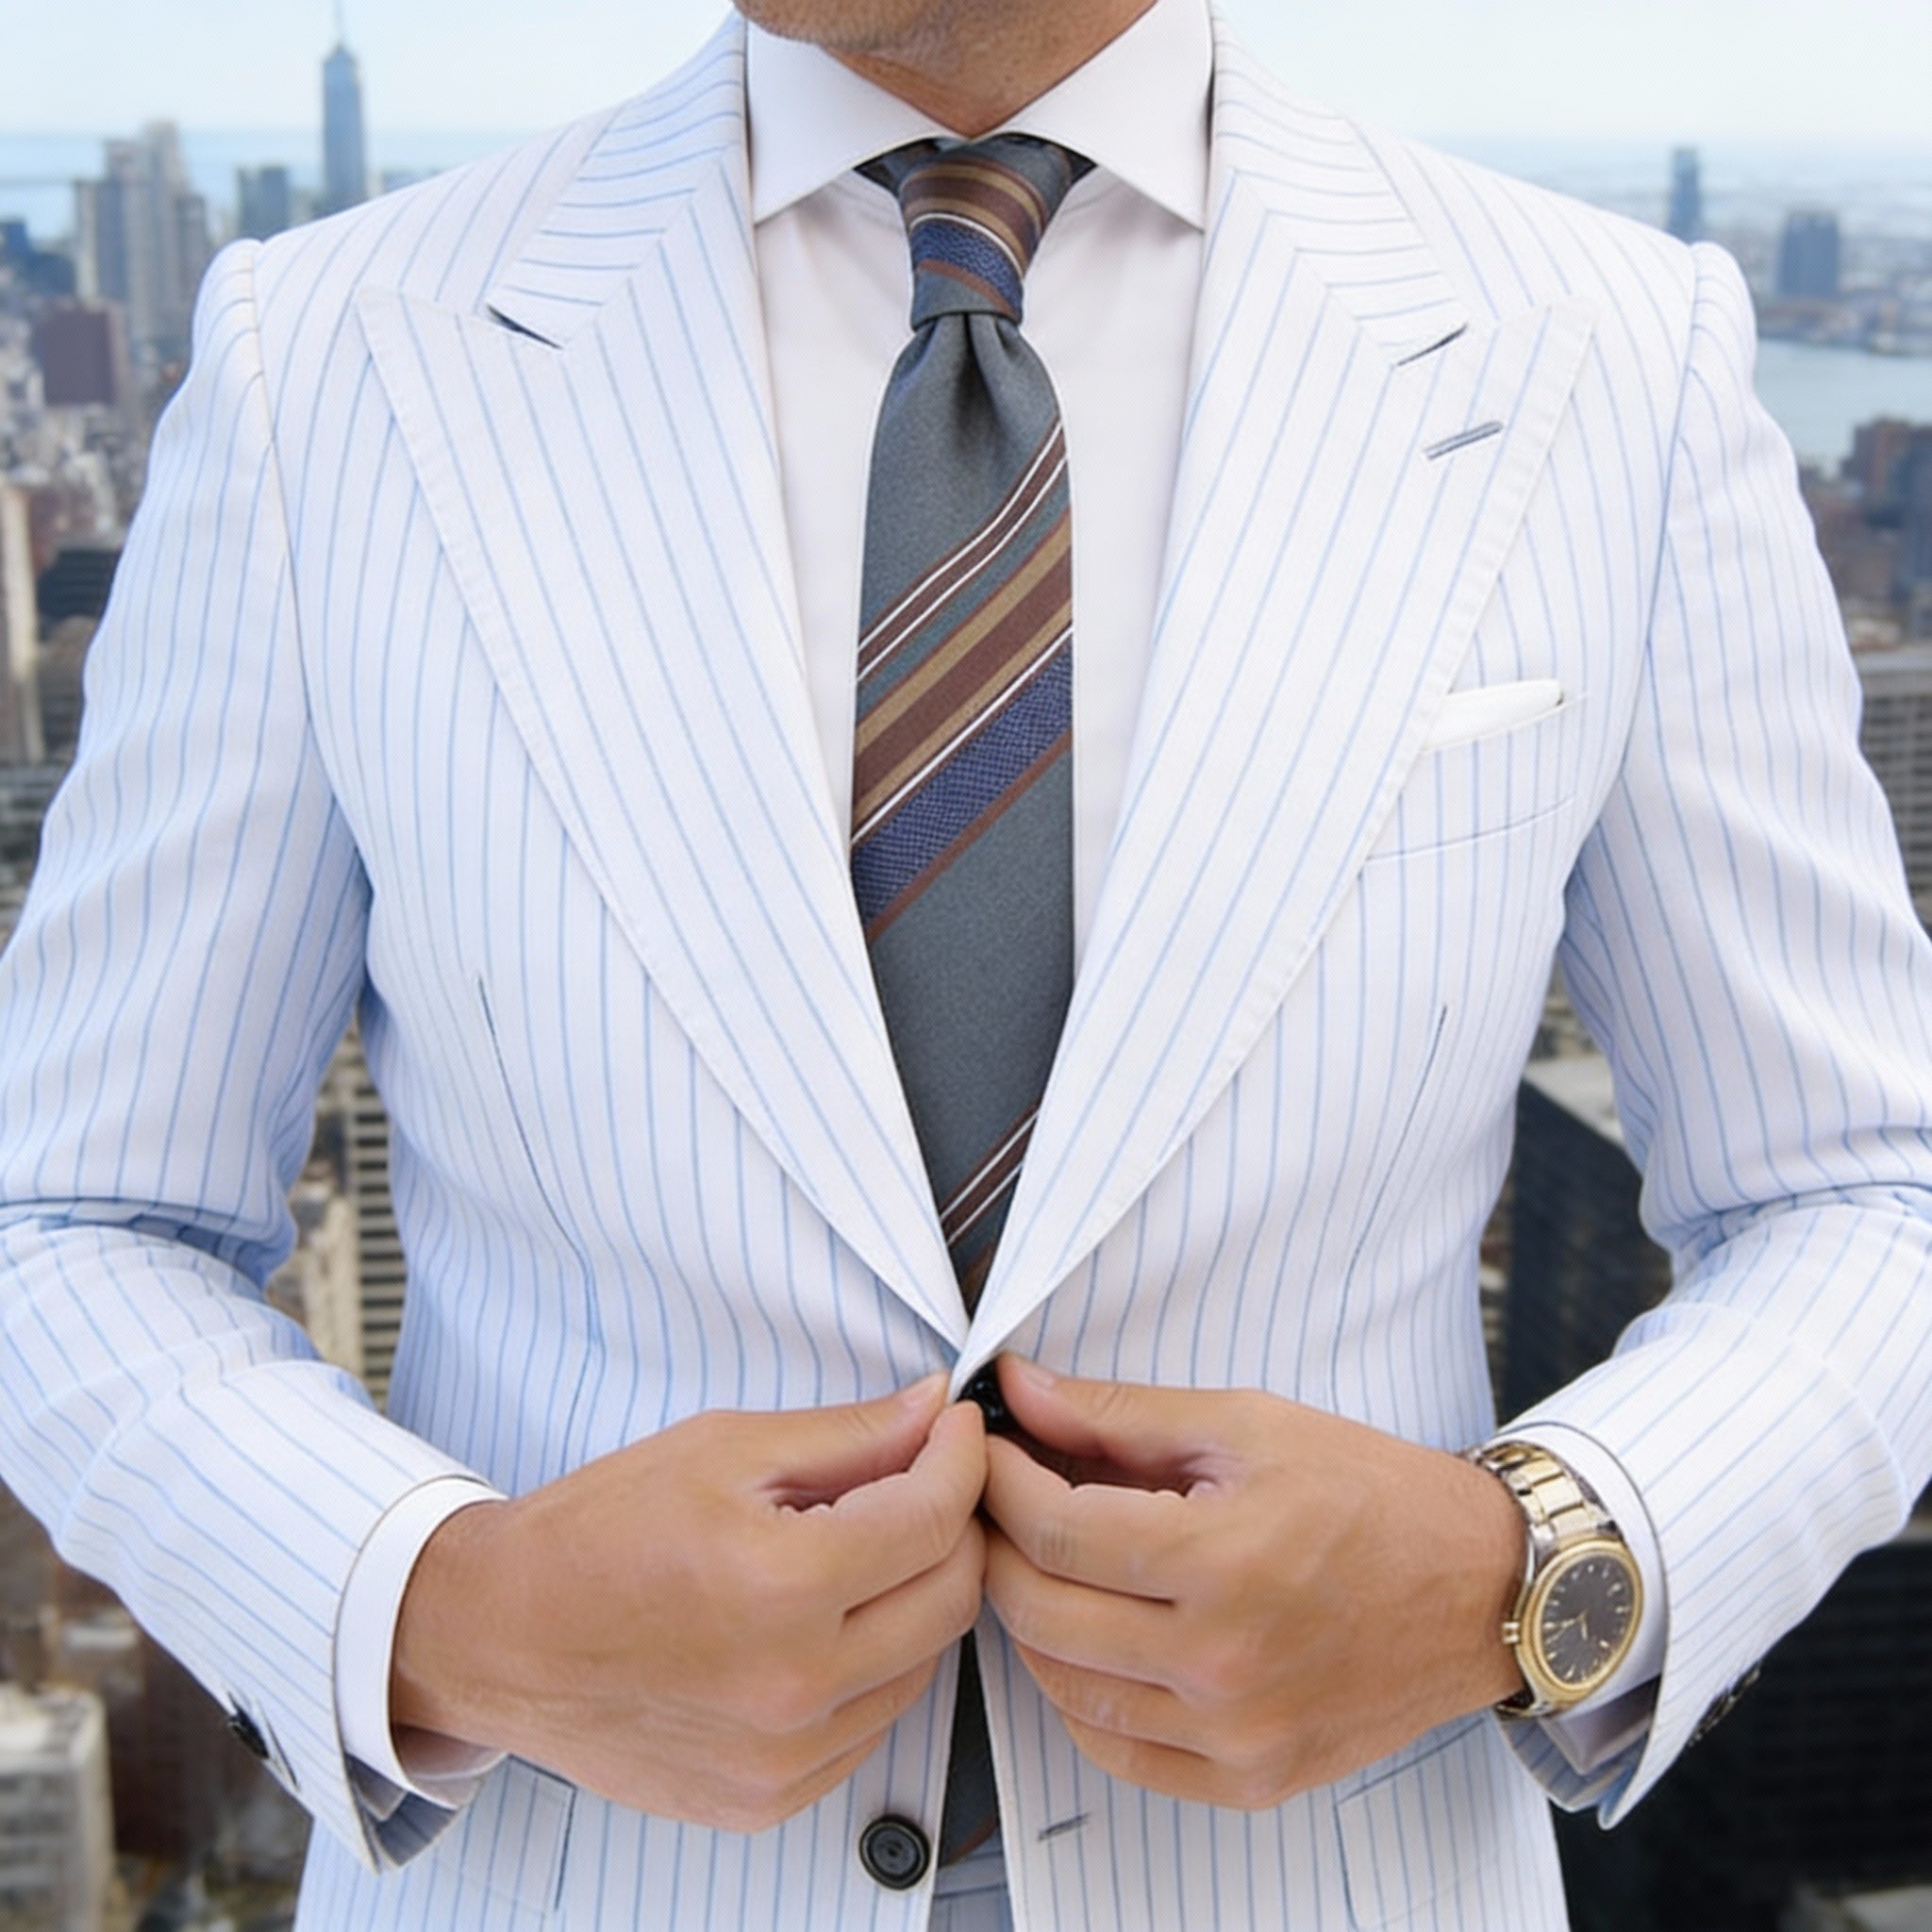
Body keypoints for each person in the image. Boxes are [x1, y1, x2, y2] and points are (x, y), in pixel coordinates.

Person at [2, 0, 1929, 1925]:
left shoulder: (1611, 357)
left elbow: (1866, 1188)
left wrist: (1527, 1571)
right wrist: (439, 1608)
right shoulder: (322, 364)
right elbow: (68, 1219)